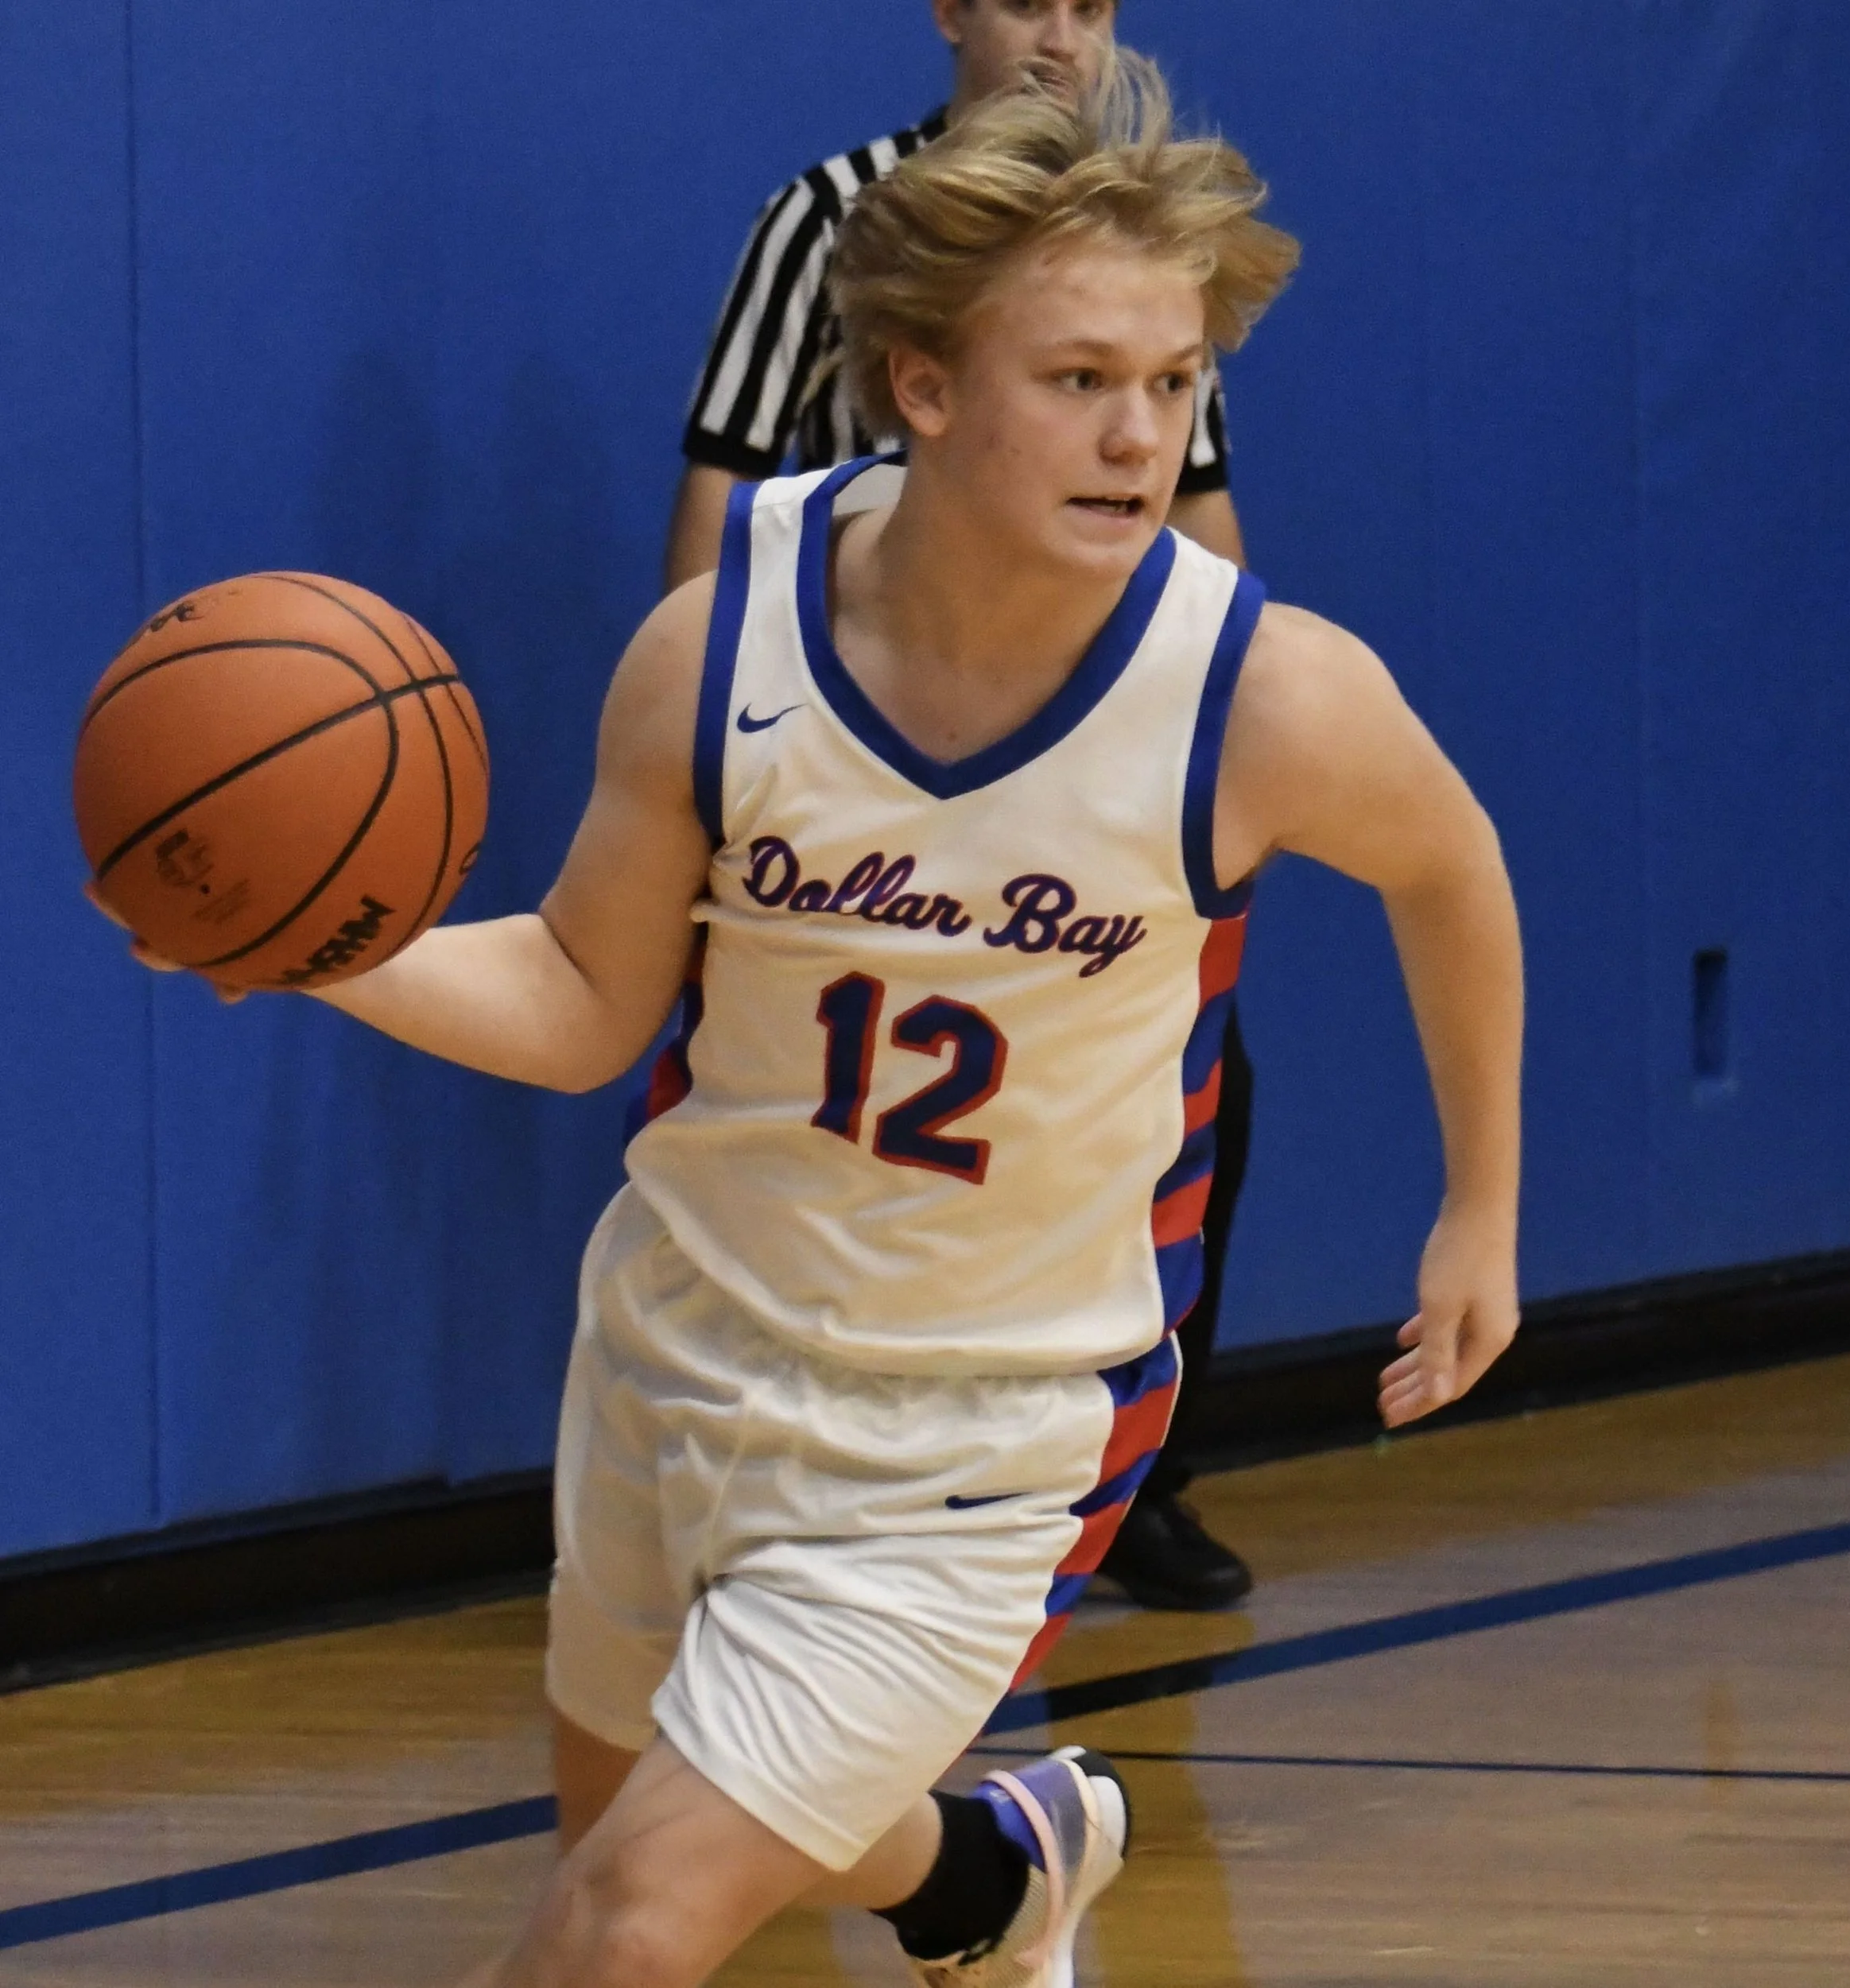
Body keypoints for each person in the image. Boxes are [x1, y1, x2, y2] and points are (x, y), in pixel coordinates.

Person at [102, 56, 1523, 1988]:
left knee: (626, 1922)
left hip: (984, 1421)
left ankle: (966, 1853)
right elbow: (581, 1000)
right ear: (922, 385)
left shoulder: (1254, 692)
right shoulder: (721, 645)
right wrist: (307, 942)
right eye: (1077, 379)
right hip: (679, 1342)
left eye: (1172, 381)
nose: (1140, 437)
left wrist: (1476, 1210)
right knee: (645, 1839)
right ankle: (988, 1870)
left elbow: (1450, 868)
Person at [665, 0, 1259, 1610]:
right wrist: (712, 743)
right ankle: (767, 1464)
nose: (1063, 33)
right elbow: (721, 486)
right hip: (862, 754)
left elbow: (1202, 522)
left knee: (1186, 1103)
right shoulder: (824, 220)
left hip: (1072, 771)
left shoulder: (1135, 248)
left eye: (1092, 3)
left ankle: (1128, 1475)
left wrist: (1216, 744)